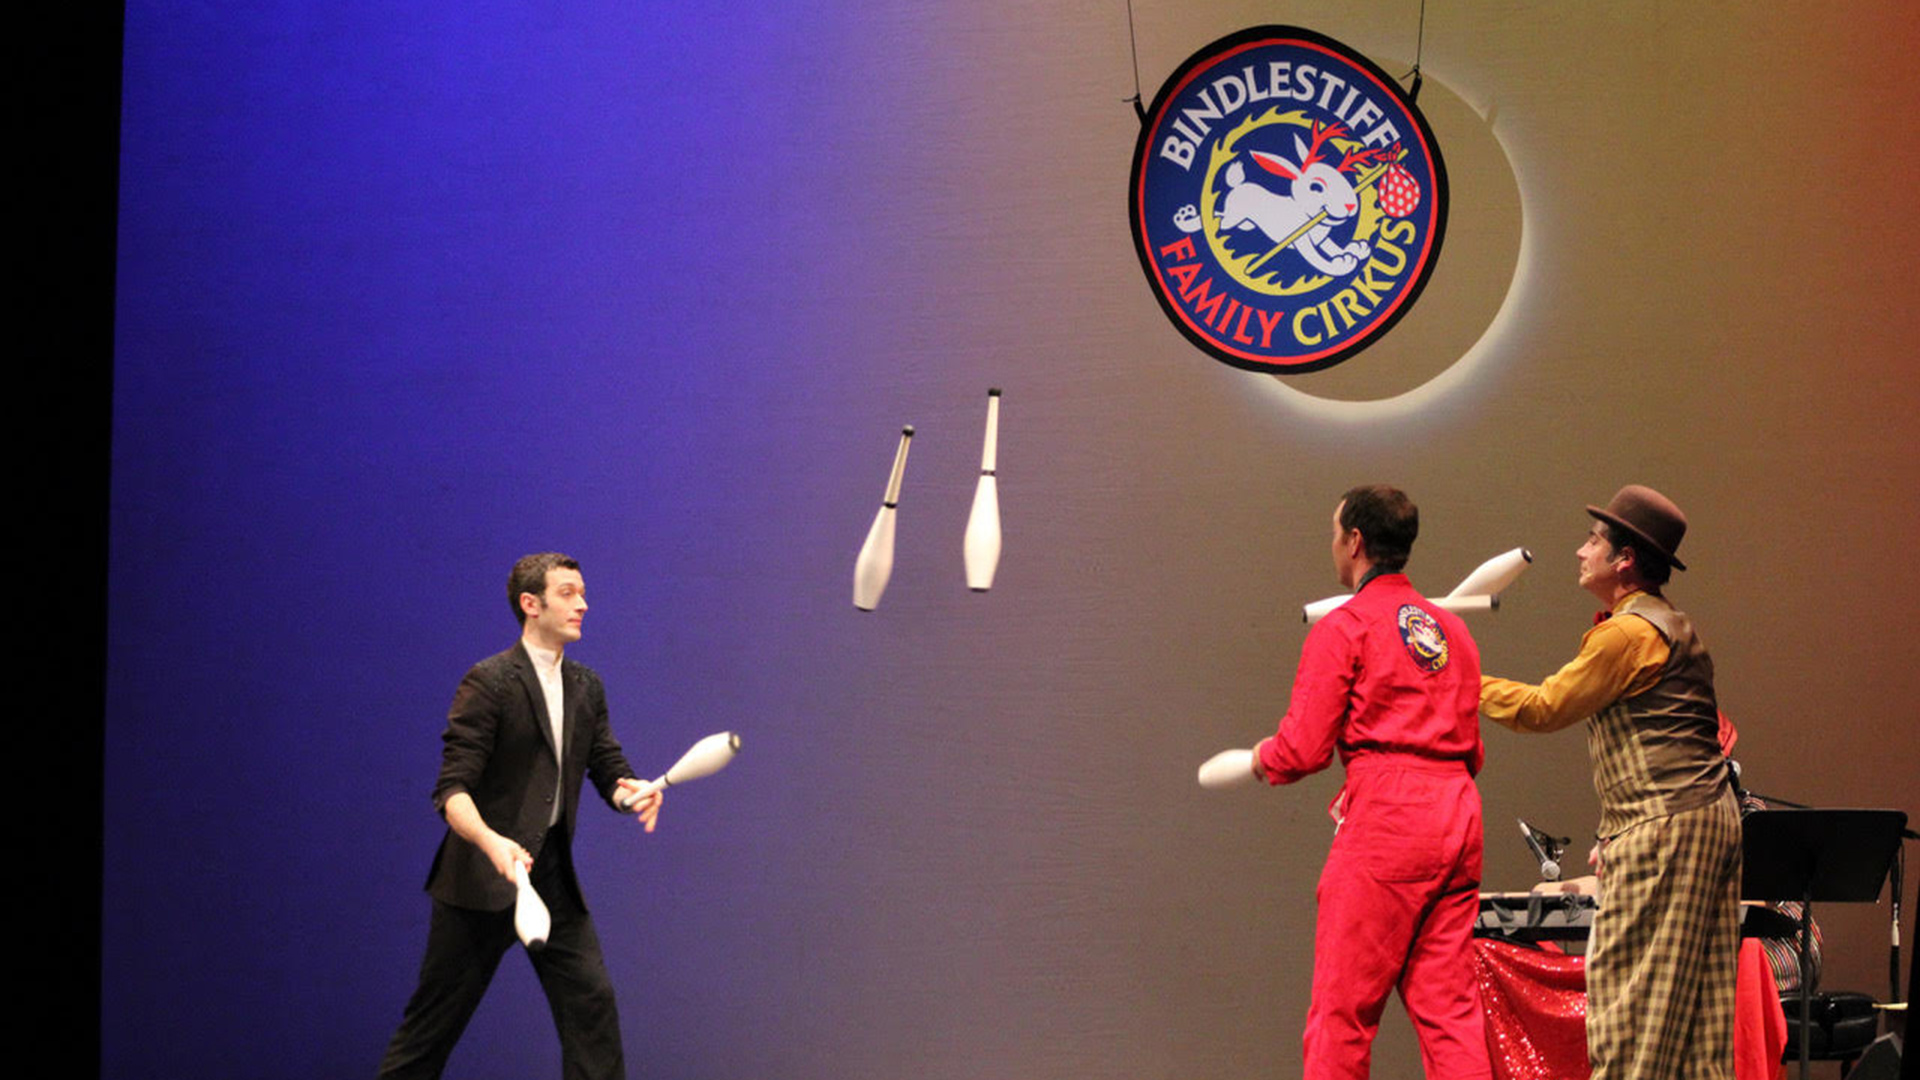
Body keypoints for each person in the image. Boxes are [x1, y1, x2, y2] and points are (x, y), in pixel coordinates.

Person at [1480, 486, 1740, 1080]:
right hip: (1705, 819)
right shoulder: (1670, 625)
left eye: (1593, 541)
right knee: (1698, 1032)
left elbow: (1543, 708)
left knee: (1631, 1018)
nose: (1580, 551)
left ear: (1624, 559)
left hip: (1664, 826)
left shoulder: (1627, 634)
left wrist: (1463, 679)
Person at [377, 552, 664, 1080]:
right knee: (431, 1030)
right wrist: (492, 843)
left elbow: (607, 768)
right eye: (568, 593)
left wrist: (633, 793)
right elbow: (452, 790)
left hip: (550, 876)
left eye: (582, 592)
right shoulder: (489, 682)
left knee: (591, 1007)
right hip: (482, 879)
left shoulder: (586, 685)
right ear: (531, 605)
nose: (583, 604)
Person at [1251, 485, 1492, 1080]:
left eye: (1335, 534)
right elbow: (1472, 744)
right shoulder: (1453, 632)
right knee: (1450, 1013)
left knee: (1342, 1013)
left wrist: (1262, 758)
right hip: (1459, 815)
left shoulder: (1347, 626)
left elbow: (1302, 749)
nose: (1332, 545)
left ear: (1355, 542)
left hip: (1391, 818)